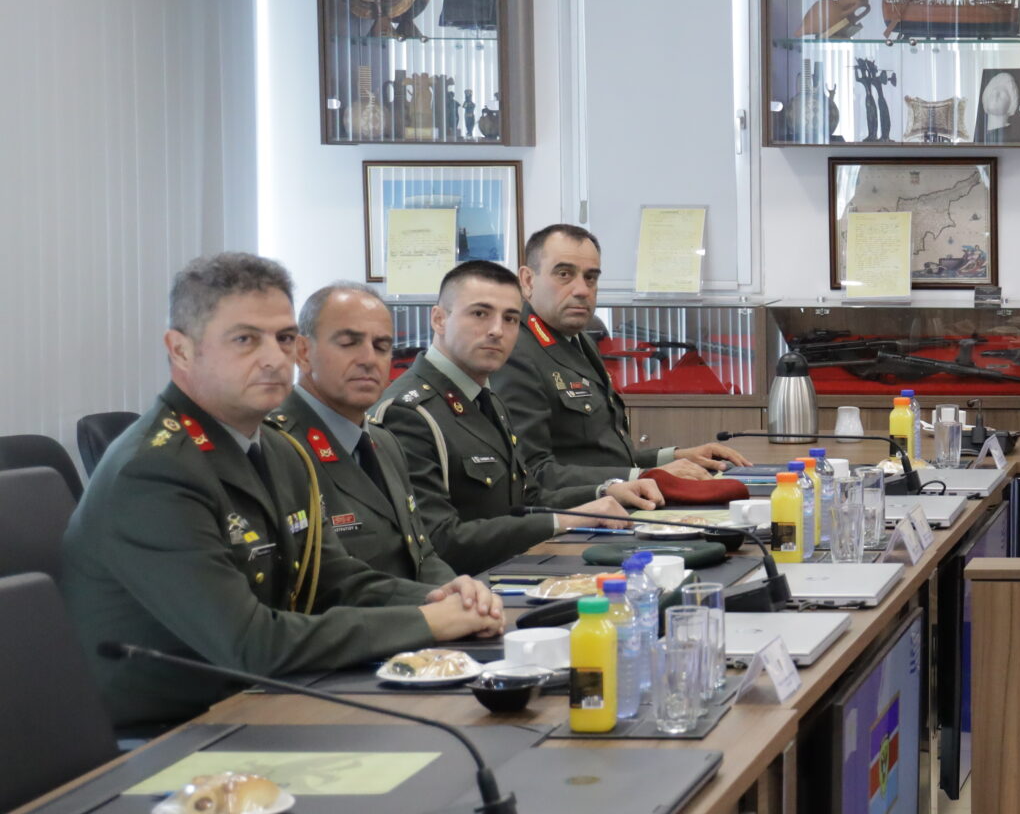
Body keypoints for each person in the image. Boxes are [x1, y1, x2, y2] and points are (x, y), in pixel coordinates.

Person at [61, 254, 502, 728]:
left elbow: (334, 579)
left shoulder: (277, 448)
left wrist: (441, 598)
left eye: (284, 338)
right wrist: (427, 622)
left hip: (267, 699)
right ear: (181, 350)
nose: (275, 358)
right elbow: (251, 644)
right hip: (173, 735)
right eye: (246, 339)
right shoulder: (153, 472)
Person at [376, 260, 659, 575]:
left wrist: (603, 492)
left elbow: (527, 497)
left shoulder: (486, 399)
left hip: (512, 569)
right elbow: (438, 541)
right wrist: (566, 520)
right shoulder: (408, 412)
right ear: (439, 319)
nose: (497, 330)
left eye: (510, 318)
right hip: (463, 590)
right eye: (480, 314)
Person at [493, 223, 746, 488]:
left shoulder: (579, 341)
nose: (582, 290)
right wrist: (645, 476)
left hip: (614, 500)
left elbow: (602, 457)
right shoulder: (516, 353)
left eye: (590, 277)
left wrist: (674, 457)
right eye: (564, 274)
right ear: (527, 280)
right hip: (578, 510)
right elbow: (533, 474)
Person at [271, 281, 453, 584]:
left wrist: (460, 593)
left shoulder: (384, 441)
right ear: (303, 352)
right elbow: (324, 587)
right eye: (349, 343)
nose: (369, 359)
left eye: (381, 346)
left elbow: (421, 554)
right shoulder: (276, 445)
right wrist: (435, 604)